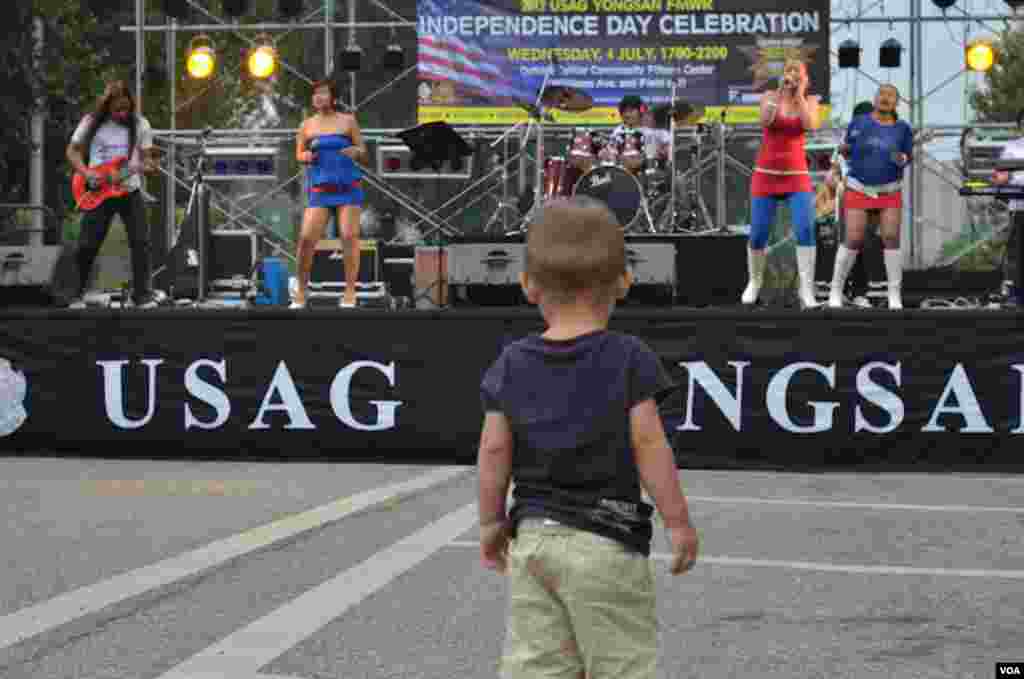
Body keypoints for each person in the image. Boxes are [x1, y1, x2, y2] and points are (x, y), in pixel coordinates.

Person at [477, 196, 699, 679]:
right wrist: (677, 520)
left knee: (538, 664)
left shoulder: (511, 363)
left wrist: (491, 522)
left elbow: (494, 449)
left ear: (528, 286)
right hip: (607, 541)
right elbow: (649, 445)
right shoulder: (629, 358)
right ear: (624, 282)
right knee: (621, 662)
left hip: (534, 538)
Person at [66, 79, 160, 308]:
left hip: (129, 189)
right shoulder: (91, 122)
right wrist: (87, 173)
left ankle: (142, 296)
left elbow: (148, 160)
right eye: (117, 109)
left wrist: (149, 166)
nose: (122, 113)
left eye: (126, 108)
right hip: (98, 190)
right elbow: (72, 152)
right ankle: (74, 293)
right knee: (88, 243)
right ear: (106, 106)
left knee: (141, 242)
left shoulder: (140, 124)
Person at [743, 58, 821, 308]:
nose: (792, 75)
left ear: (805, 78)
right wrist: (781, 92)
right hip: (766, 174)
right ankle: (755, 281)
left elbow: (810, 125)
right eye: (789, 71)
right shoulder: (769, 96)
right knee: (758, 234)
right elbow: (765, 120)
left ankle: (806, 290)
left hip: (796, 175)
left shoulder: (810, 101)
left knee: (805, 229)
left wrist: (798, 95)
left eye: (798, 72)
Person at [828, 84, 913, 310]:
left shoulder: (903, 129)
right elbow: (845, 149)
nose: (886, 99)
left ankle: (895, 295)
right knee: (854, 238)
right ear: (875, 98)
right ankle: (835, 291)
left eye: (891, 96)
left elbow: (908, 157)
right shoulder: (859, 122)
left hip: (890, 190)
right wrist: (844, 153)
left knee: (890, 237)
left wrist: (902, 159)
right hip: (858, 188)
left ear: (897, 103)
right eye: (882, 94)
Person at [292, 79, 368, 309]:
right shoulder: (306, 125)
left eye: (323, 93)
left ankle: (350, 292)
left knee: (348, 236)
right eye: (315, 94)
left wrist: (356, 151)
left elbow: (364, 153)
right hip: (321, 190)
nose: (318, 97)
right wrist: (305, 157)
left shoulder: (348, 121)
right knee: (306, 239)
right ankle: (302, 293)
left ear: (333, 97)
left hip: (348, 188)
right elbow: (299, 154)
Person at [990, 107, 1024, 306]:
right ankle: (1016, 293)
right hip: (1020, 207)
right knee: (1018, 252)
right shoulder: (1012, 148)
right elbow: (1000, 177)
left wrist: (1012, 176)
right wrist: (1009, 177)